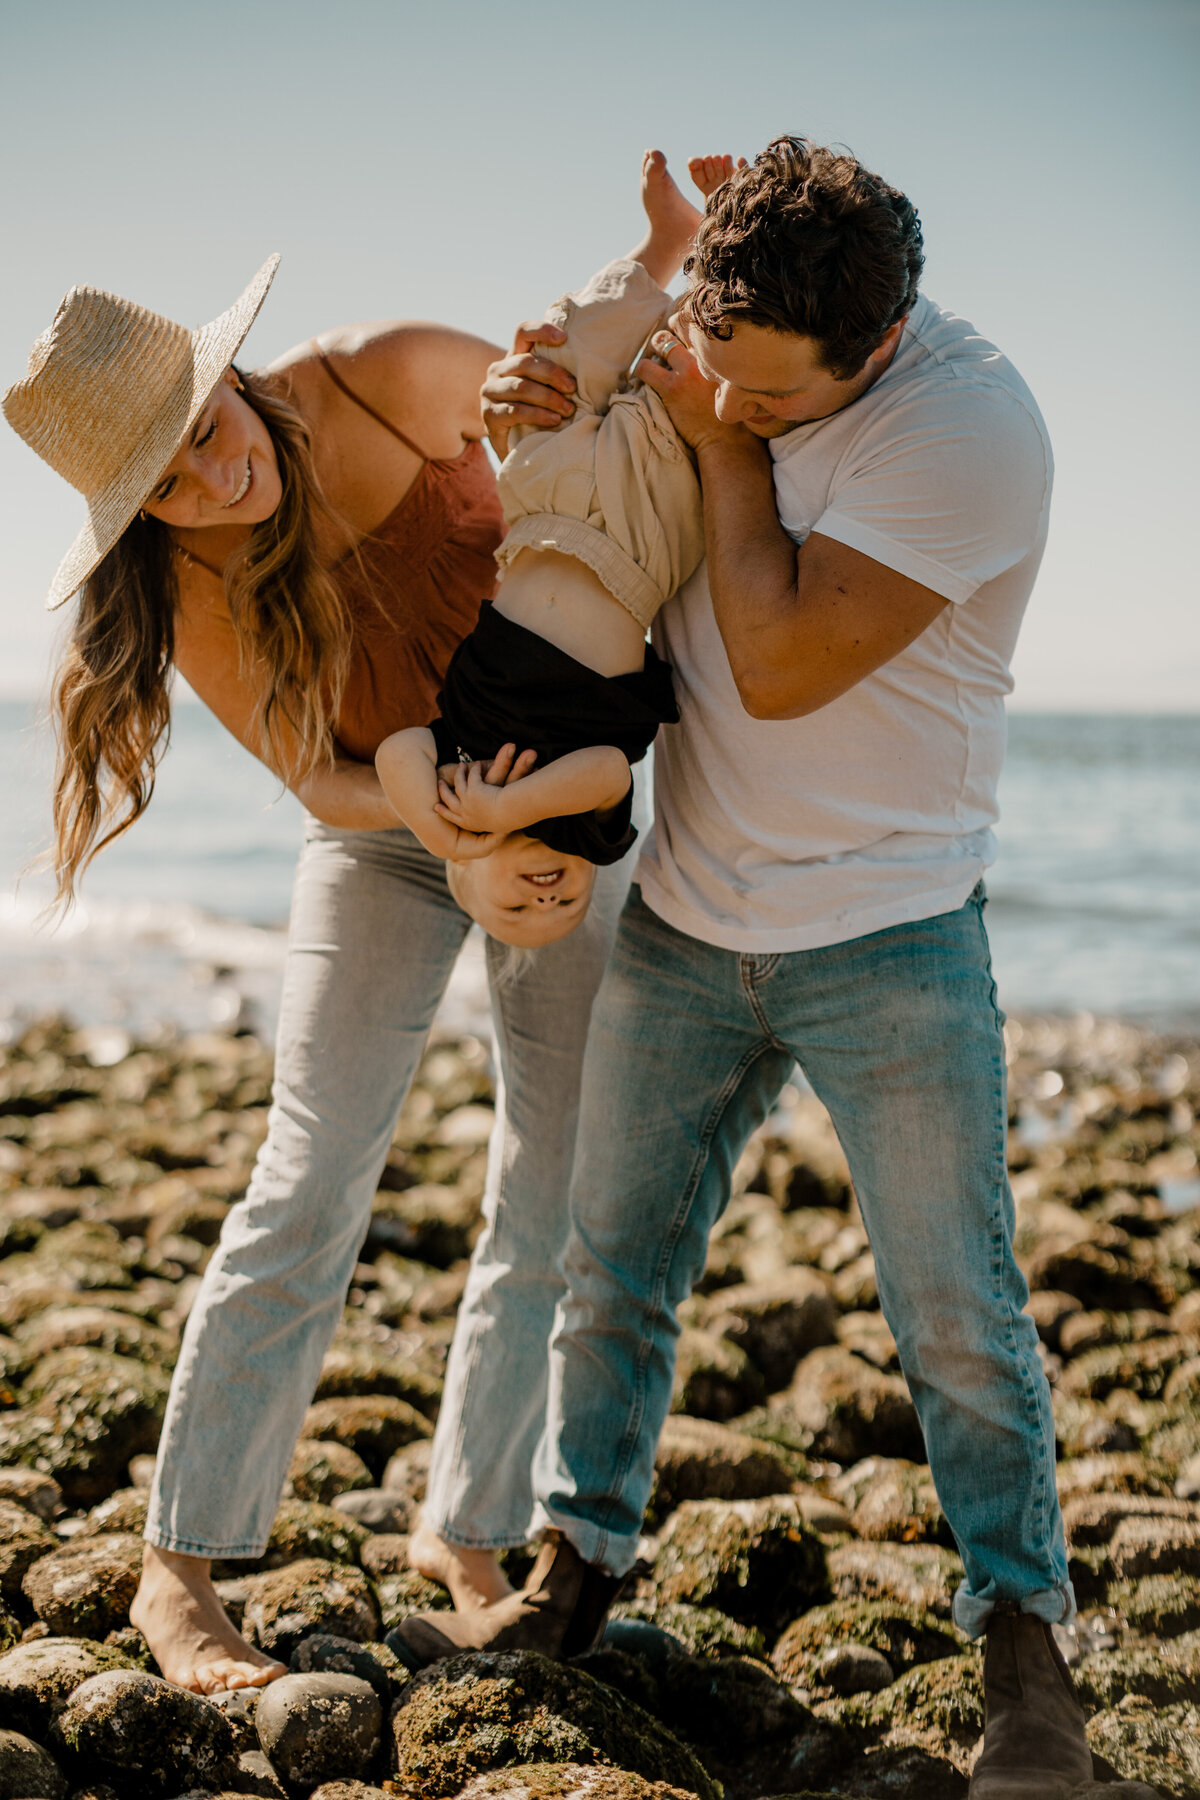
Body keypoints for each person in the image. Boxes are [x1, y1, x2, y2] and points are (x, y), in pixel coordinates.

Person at [399, 137, 1093, 1800]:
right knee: (612, 1267)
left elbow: (775, 660)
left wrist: (715, 436)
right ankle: (578, 1575)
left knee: (957, 1315)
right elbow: (582, 496)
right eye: (723, 366)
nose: (738, 401)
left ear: (879, 344)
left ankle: (1027, 1651)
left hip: (892, 930)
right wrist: (540, 406)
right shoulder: (714, 349)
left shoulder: (968, 429)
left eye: (779, 398)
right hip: (693, 915)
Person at [1, 150, 722, 1698]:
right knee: (310, 1174)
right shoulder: (185, 585)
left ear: (231, 379)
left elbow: (581, 417)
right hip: (388, 835)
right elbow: (321, 777)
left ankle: (467, 1528)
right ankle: (178, 1572)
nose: (212, 483)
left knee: (554, 1173)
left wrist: (655, 262)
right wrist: (442, 825)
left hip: (562, 822)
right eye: (168, 483)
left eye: (204, 434)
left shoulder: (390, 379)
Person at [377, 154, 737, 942]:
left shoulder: (452, 779)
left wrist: (437, 823)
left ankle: (669, 243)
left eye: (516, 907)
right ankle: (732, 253)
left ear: (465, 878)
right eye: (564, 909)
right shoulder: (584, 828)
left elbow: (397, 748)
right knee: (679, 378)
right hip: (638, 541)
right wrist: (513, 807)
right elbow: (609, 769)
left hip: (540, 507)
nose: (548, 896)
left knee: (567, 349)